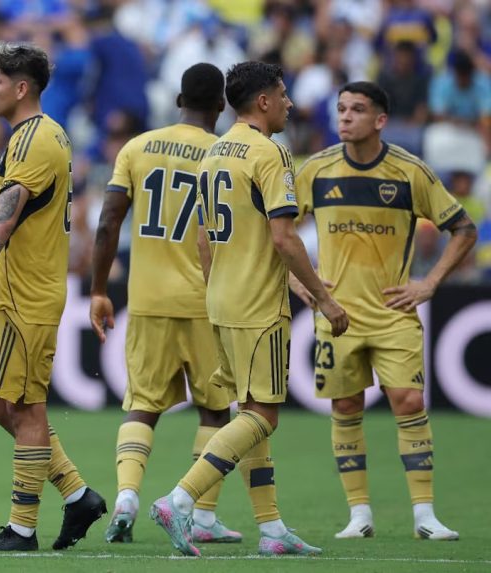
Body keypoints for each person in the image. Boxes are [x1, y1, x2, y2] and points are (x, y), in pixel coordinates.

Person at [149, 61, 349, 557]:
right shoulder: (270, 152)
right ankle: (180, 499)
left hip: (220, 300)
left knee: (249, 411)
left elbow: (202, 240)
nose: (289, 103)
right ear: (263, 101)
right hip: (258, 305)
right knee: (263, 415)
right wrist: (324, 298)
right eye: (282, 94)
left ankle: (272, 528)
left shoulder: (214, 151)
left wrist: (221, 286)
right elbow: (284, 237)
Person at [0, 41, 105, 552]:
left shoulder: (34, 140)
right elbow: (2, 202)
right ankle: (77, 494)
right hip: (16, 292)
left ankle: (22, 529)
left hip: (30, 293)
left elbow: (2, 222)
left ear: (22, 88)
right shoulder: (32, 135)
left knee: (26, 408)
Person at [293, 81, 475, 541]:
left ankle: (424, 515)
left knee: (408, 402)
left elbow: (464, 229)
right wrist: (298, 283)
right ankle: (359, 515)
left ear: (380, 120)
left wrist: (429, 283)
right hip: (335, 314)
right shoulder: (315, 169)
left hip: (393, 312)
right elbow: (274, 232)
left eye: (356, 109)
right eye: (341, 108)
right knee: (345, 405)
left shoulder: (410, 172)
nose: (345, 116)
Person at [89, 63, 241, 545]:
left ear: (178, 101)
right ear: (221, 105)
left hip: (147, 299)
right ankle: (203, 517)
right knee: (215, 412)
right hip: (205, 301)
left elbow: (108, 221)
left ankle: (127, 497)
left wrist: (98, 289)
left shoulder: (137, 147)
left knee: (142, 406)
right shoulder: (224, 152)